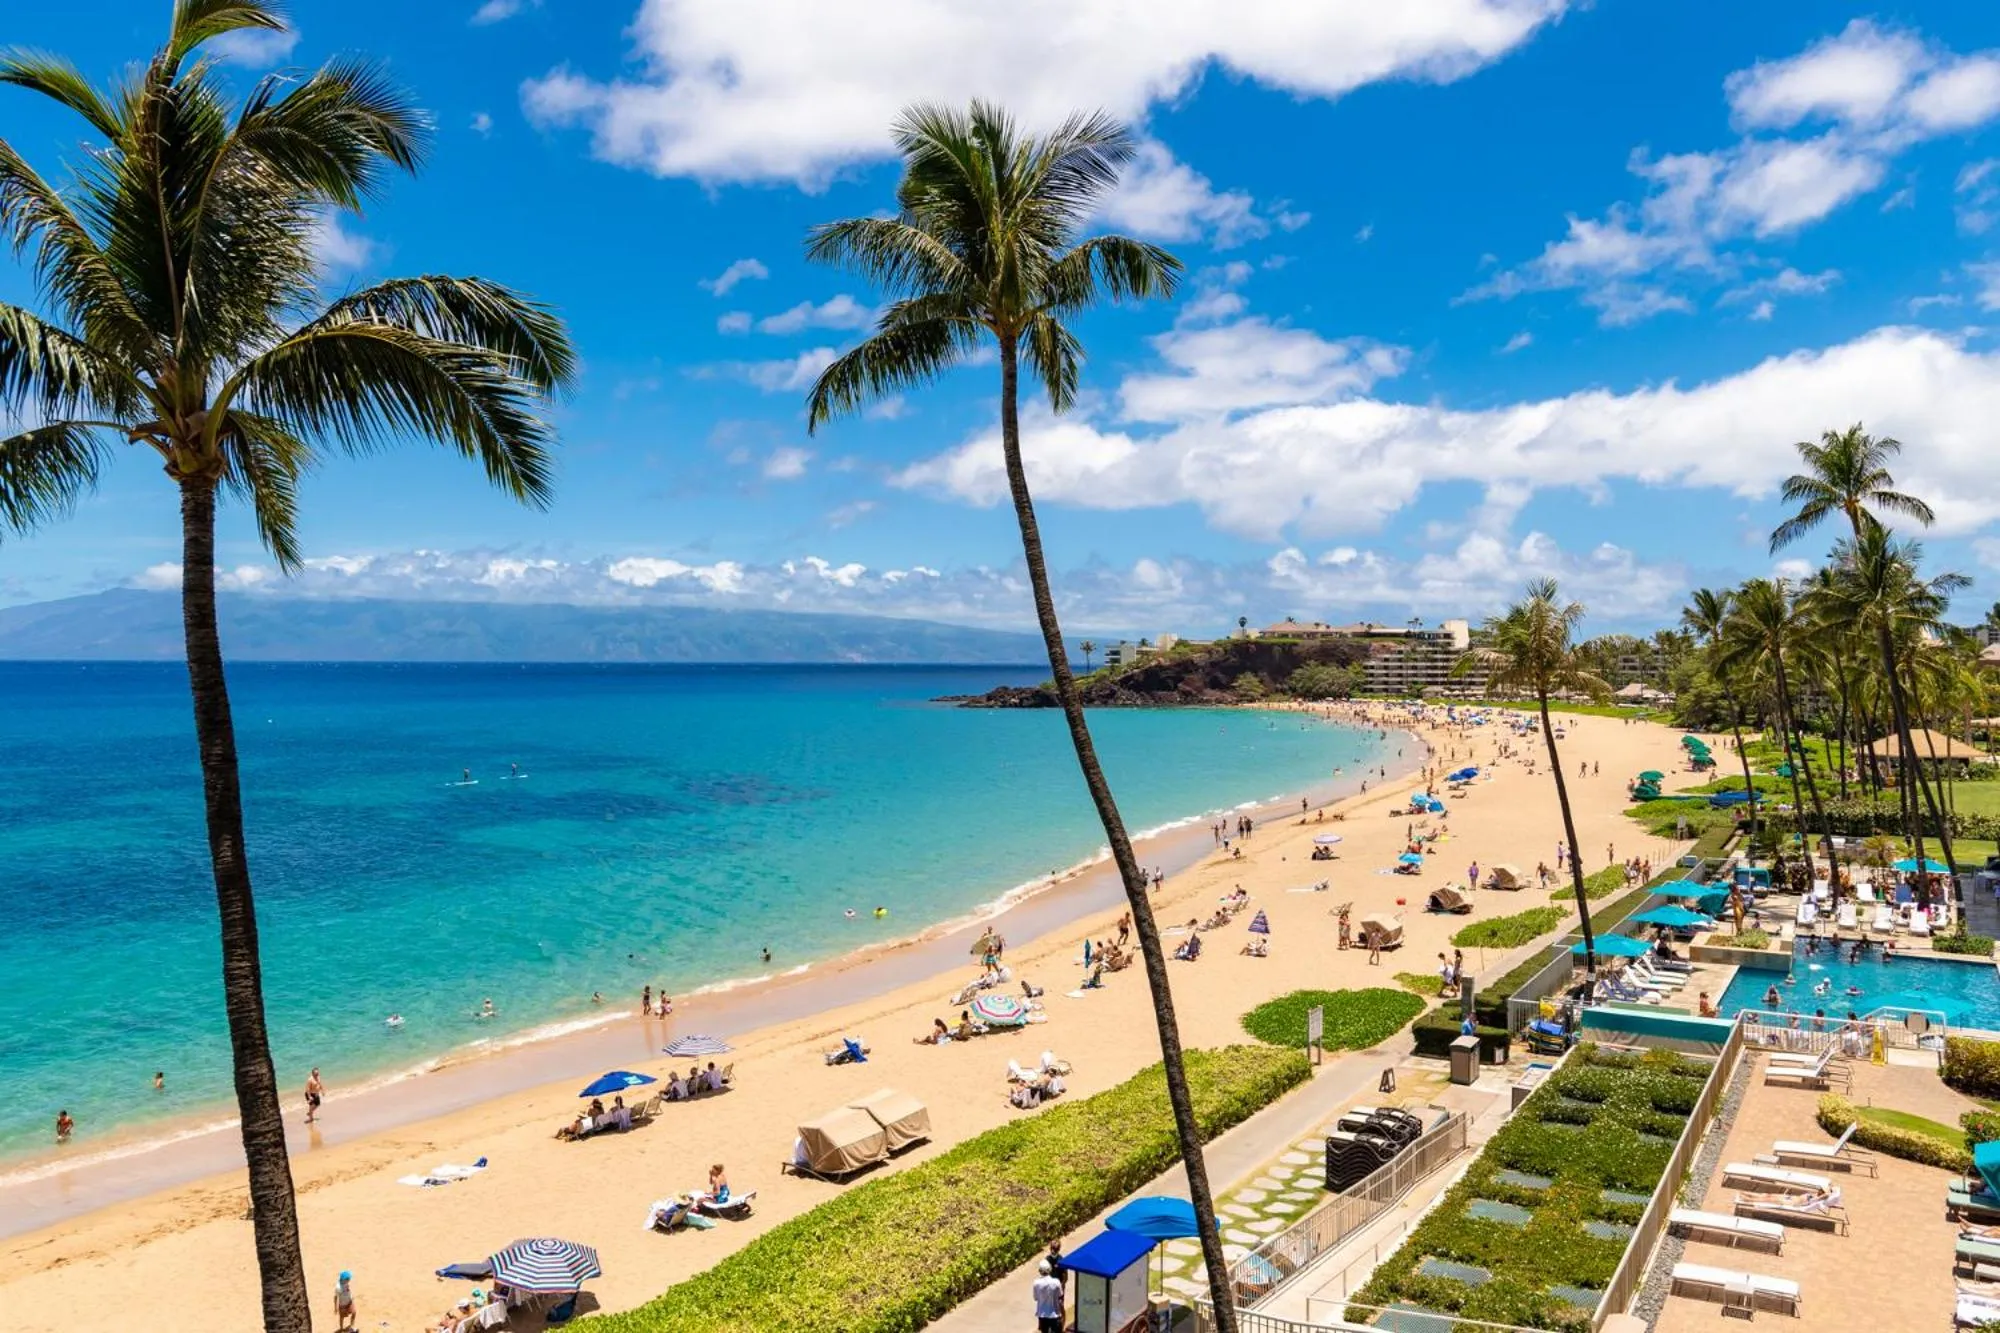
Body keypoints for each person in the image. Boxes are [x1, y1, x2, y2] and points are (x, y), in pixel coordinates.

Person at [1032, 1259, 1064, 1333]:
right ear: (1050, 1270)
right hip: (1054, 1314)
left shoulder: (1036, 1283)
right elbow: (1060, 1295)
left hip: (1042, 1315)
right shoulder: (1056, 1282)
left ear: (1040, 1271)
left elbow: (1035, 1298)